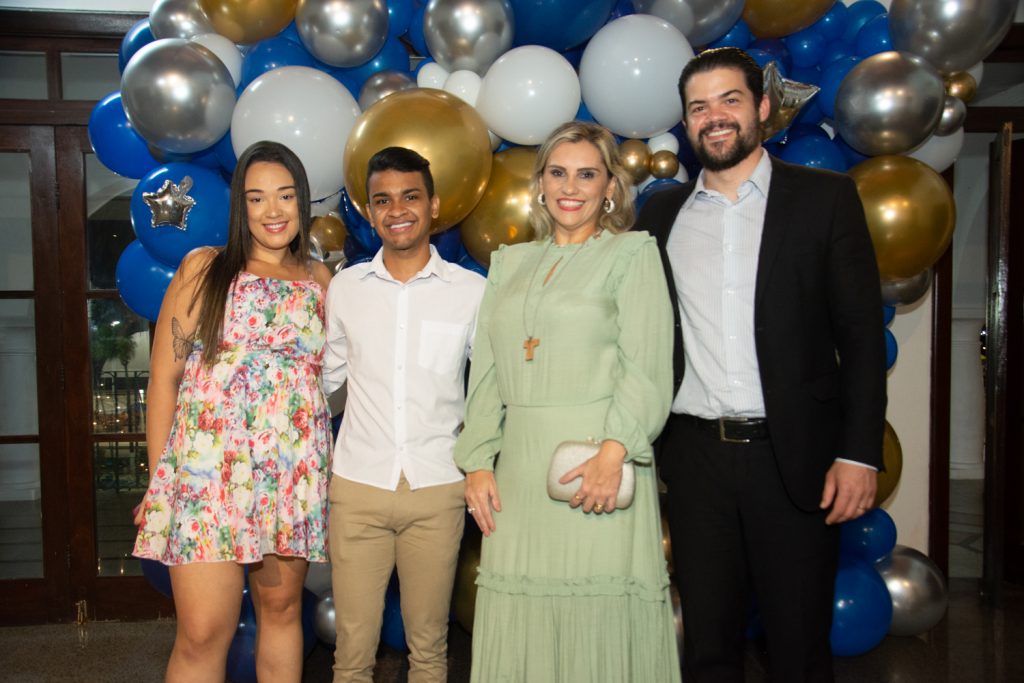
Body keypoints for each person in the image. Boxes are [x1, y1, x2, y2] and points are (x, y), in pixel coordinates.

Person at [637, 47, 887, 682]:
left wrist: (859, 453)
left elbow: (858, 337)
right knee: (709, 647)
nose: (714, 117)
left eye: (730, 100)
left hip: (795, 458)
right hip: (693, 462)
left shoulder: (825, 200)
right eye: (699, 107)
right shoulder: (659, 215)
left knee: (799, 646)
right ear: (687, 123)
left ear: (763, 109)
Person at [456, 121, 681, 682]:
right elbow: (485, 372)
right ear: (540, 183)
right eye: (558, 172)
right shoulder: (509, 263)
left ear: (610, 187)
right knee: (522, 619)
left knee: (597, 619)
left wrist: (615, 452)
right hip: (519, 473)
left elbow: (647, 363)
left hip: (597, 465)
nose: (570, 186)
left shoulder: (632, 254)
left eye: (587, 173)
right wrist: (478, 460)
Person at [133, 140, 333, 683]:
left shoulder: (320, 281)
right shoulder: (205, 268)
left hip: (288, 474)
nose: (273, 211)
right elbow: (164, 379)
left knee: (282, 611)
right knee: (202, 632)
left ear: (302, 202)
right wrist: (161, 484)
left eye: (286, 196)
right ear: (239, 208)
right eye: (257, 198)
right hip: (206, 477)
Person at [322, 146, 485, 683]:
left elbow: (490, 388)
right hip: (357, 489)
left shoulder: (472, 293)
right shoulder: (345, 289)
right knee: (351, 656)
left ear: (434, 204)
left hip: (437, 488)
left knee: (430, 651)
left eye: (410, 196)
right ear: (370, 212)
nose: (397, 210)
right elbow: (323, 383)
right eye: (383, 200)